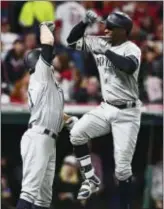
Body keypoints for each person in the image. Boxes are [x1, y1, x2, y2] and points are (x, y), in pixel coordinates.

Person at [67, 10, 142, 209]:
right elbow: (71, 42)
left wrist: (106, 50)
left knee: (122, 170)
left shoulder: (131, 48)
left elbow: (128, 66)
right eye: (105, 25)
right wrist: (84, 23)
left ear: (123, 31)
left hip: (127, 113)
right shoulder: (101, 41)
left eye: (111, 27)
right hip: (106, 107)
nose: (106, 29)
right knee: (76, 134)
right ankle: (91, 179)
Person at [16, 21, 78, 209]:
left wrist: (70, 121)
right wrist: (45, 26)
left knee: (43, 199)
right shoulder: (40, 74)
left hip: (49, 139)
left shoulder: (50, 85)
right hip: (38, 136)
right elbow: (48, 43)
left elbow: (55, 113)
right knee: (29, 191)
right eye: (46, 61)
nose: (51, 63)